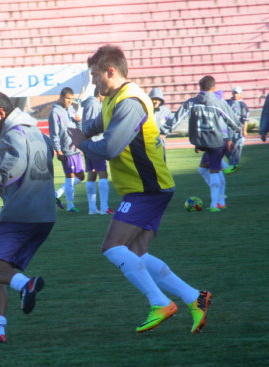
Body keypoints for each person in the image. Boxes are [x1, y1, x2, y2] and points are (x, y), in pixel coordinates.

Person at [68, 45, 211, 334]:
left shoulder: (130, 101)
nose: (93, 81)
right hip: (147, 188)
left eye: (95, 75)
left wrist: (82, 142)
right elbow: (93, 126)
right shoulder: (111, 100)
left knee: (111, 246)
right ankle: (196, 298)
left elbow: (109, 148)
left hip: (147, 189)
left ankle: (160, 302)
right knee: (136, 251)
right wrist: (82, 115)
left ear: (111, 72)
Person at [0, 92, 56, 344]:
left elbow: (16, 159)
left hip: (20, 213)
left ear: (1, 113)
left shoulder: (12, 132)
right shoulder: (37, 131)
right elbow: (47, 159)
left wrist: (0, 173)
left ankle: (25, 285)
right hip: (44, 214)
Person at [160, 76, 241, 212]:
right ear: (213, 88)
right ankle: (220, 194)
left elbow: (177, 118)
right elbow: (231, 119)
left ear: (199, 86)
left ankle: (215, 204)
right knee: (205, 169)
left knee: (212, 170)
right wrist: (238, 130)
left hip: (206, 142)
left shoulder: (192, 103)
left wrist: (165, 131)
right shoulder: (218, 103)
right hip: (214, 141)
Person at [49, 87, 84, 212]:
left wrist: (79, 122)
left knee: (81, 176)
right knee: (70, 177)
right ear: (61, 97)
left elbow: (77, 127)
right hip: (66, 150)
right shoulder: (55, 112)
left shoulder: (71, 109)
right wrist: (57, 150)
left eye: (72, 99)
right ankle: (70, 206)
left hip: (76, 148)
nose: (70, 101)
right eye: (68, 98)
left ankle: (56, 194)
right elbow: (54, 133)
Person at [81, 87, 113, 215]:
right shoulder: (94, 104)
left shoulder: (89, 104)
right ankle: (104, 208)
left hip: (89, 143)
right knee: (103, 173)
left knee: (92, 173)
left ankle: (92, 208)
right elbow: (94, 125)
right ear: (100, 93)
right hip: (96, 142)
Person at [224, 86, 249, 174]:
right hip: (228, 130)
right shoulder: (227, 103)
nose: (235, 94)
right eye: (234, 92)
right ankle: (232, 164)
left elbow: (245, 119)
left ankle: (235, 165)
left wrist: (245, 130)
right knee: (227, 148)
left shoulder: (243, 105)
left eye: (237, 93)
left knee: (237, 149)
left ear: (241, 94)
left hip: (238, 131)